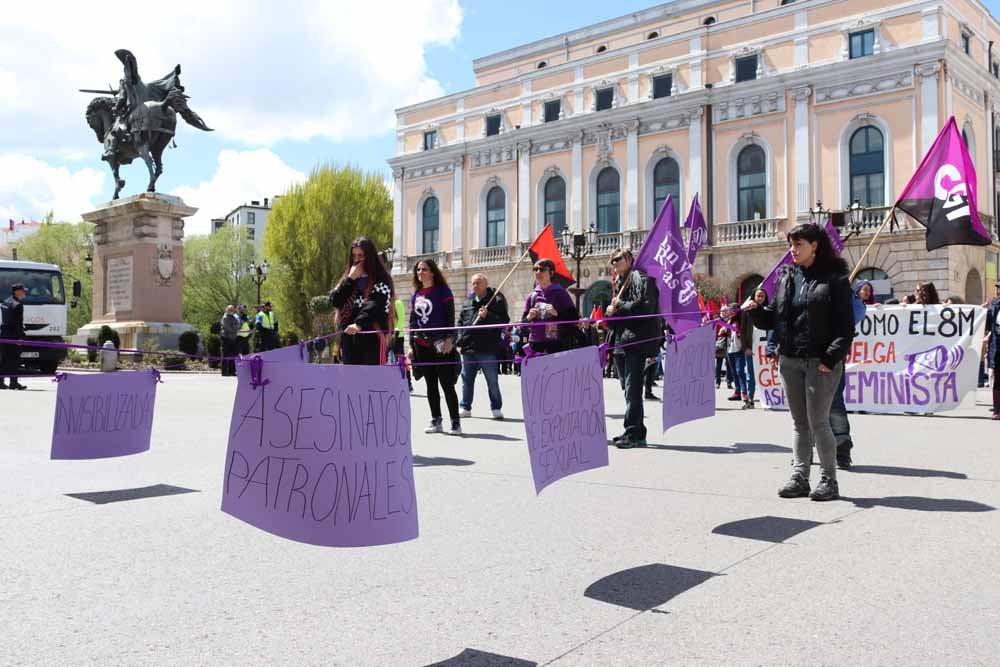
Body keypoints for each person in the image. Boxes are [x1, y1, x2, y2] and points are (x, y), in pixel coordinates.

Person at [746, 223, 854, 501]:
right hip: (790, 360)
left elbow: (846, 327)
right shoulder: (786, 277)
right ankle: (799, 477)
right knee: (799, 423)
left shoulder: (835, 279)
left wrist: (830, 358)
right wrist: (755, 312)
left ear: (815, 245)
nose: (792, 250)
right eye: (791, 245)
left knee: (818, 421)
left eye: (799, 245)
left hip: (821, 361)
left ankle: (829, 480)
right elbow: (775, 318)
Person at [606, 249, 661, 449]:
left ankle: (633, 433)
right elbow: (618, 317)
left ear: (629, 259)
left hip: (637, 341)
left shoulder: (644, 281)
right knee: (627, 388)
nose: (614, 263)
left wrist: (620, 304)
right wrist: (609, 315)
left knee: (633, 388)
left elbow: (645, 309)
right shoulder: (620, 284)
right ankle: (636, 430)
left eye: (618, 259)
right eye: (612, 261)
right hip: (621, 341)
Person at [409, 259, 461, 435]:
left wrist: (449, 339)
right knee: (430, 385)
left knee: (447, 384)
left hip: (441, 344)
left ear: (432, 272)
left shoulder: (443, 291)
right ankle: (436, 420)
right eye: (418, 270)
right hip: (422, 345)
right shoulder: (416, 295)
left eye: (424, 269)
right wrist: (410, 346)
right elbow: (413, 322)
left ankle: (455, 421)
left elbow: (450, 318)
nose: (420, 272)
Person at [328, 236, 395, 365]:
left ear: (370, 257)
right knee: (351, 382)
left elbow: (374, 305)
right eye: (354, 256)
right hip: (349, 341)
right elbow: (335, 300)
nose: (357, 260)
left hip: (372, 340)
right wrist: (350, 279)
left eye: (361, 256)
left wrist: (358, 324)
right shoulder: (348, 278)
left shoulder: (381, 280)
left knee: (372, 383)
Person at [457, 274, 509, 420]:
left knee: (492, 380)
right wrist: (460, 337)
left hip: (487, 348)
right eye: (473, 283)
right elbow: (461, 322)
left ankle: (496, 407)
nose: (475, 286)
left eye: (478, 283)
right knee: (467, 380)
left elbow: (504, 321)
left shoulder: (496, 301)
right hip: (469, 348)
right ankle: (465, 406)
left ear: (485, 284)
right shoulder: (468, 302)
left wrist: (489, 316)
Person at [521, 258, 581, 354]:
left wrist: (556, 313)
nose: (538, 272)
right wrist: (528, 317)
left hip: (556, 344)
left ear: (551, 273)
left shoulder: (561, 293)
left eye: (542, 269)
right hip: (535, 343)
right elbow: (522, 324)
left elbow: (574, 318)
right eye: (535, 269)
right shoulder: (531, 296)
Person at [0, 283, 28, 390]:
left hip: (3, 334)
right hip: (12, 337)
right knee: (14, 360)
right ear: (17, 292)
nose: (25, 292)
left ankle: (1, 382)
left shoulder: (5, 302)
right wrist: (19, 338)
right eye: (23, 291)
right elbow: (18, 324)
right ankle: (13, 383)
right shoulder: (18, 305)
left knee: (3, 360)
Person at [985, 280, 1000, 418]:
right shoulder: (995, 305)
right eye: (998, 288)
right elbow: (987, 324)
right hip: (997, 346)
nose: (998, 291)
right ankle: (997, 410)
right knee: (997, 379)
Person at [391, 297, 412, 391]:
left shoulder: (398, 302)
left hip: (398, 336)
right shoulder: (384, 302)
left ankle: (408, 383)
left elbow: (401, 319)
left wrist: (396, 331)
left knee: (401, 360)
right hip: (387, 336)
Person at [220, 305, 240, 377]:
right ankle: (224, 371)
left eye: (232, 310)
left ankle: (232, 371)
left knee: (233, 355)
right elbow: (228, 328)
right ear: (226, 310)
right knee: (225, 355)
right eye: (229, 309)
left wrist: (234, 327)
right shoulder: (225, 318)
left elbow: (238, 325)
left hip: (234, 339)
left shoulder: (235, 317)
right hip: (226, 338)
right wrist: (234, 328)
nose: (231, 311)